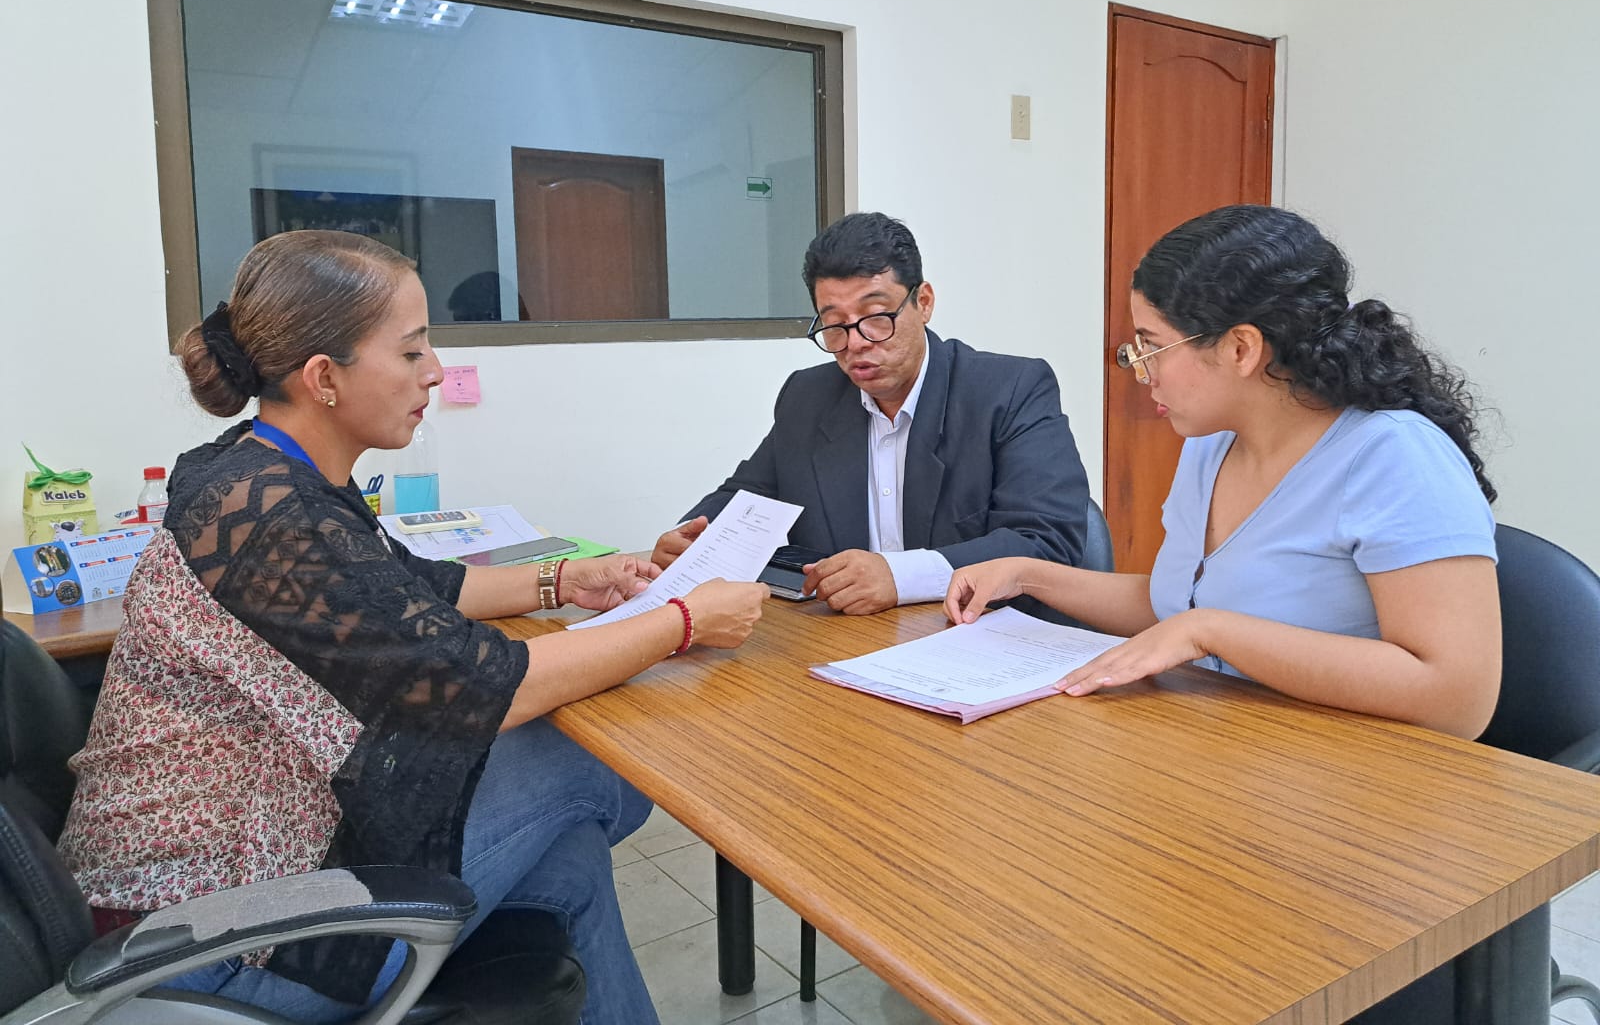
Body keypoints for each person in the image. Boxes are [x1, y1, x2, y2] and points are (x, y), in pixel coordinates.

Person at [58, 231, 769, 1025]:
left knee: (570, 860)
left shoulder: (258, 472)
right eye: (410, 350)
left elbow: (414, 586)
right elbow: (484, 687)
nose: (434, 370)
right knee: (590, 759)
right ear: (325, 378)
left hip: (262, 855)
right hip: (214, 930)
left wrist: (568, 578)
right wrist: (683, 620)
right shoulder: (275, 520)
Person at [946, 204, 1501, 740]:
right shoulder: (1211, 444)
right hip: (1229, 745)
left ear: (1241, 348)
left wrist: (1210, 632)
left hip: (1357, 773)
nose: (1142, 372)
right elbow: (1175, 606)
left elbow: (1458, 701)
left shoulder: (1395, 456)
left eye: (1153, 347)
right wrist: (1027, 574)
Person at [651, 211, 1092, 616]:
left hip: (979, 634)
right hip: (850, 640)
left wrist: (899, 576)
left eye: (877, 316)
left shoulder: (1009, 390)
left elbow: (1048, 542)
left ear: (923, 302)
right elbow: (748, 498)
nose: (857, 342)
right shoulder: (808, 396)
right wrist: (694, 538)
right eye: (835, 324)